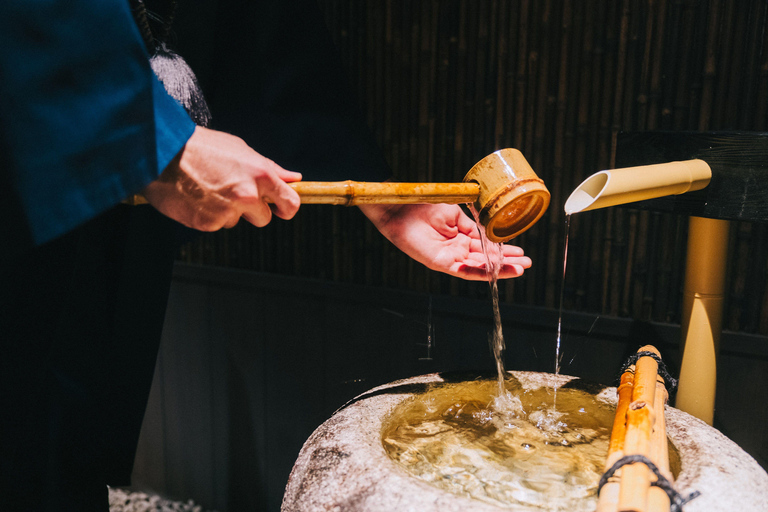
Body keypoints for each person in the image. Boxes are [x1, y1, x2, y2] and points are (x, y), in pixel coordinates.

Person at [0, 1, 532, 511]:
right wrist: (148, 134)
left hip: (113, 184)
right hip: (39, 154)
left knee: (66, 445)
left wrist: (381, 196)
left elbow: (268, 35)